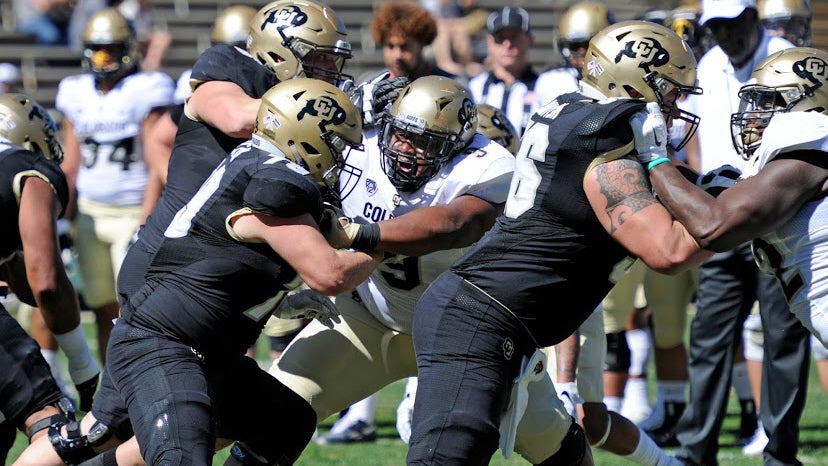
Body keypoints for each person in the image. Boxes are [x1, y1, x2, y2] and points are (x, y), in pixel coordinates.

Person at [14, 1, 359, 464]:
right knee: (145, 429)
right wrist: (315, 112)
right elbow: (237, 119)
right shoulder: (229, 70)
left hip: (210, 278)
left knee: (184, 425)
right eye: (316, 59)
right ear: (278, 54)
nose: (326, 73)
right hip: (171, 277)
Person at [397, 20, 710, 465]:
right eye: (671, 90)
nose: (677, 105)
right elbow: (671, 251)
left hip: (511, 325)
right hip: (482, 321)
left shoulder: (578, 111)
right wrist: (746, 214)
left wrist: (709, 191)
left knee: (568, 457)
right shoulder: (607, 139)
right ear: (637, 86)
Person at [98, 78, 377, 466]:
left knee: (284, 423)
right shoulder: (276, 179)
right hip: (166, 343)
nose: (339, 158)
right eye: (336, 144)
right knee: (181, 457)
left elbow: (222, 265)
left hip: (207, 349)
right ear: (303, 134)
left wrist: (284, 300)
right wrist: (386, 243)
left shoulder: (258, 166)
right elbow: (330, 274)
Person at [260, 76, 518, 451]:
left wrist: (359, 234)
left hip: (460, 334)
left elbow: (454, 225)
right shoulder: (359, 145)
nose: (406, 150)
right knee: (266, 415)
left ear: (456, 147)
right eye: (400, 135)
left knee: (548, 437)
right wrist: (347, 109)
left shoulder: (487, 165)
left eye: (425, 142)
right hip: (363, 320)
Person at [641, 44, 828, 463]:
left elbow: (712, 226)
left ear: (805, 102)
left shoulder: (804, 154)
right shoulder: (790, 160)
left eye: (768, 102)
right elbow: (708, 195)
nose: (755, 114)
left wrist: (654, 158)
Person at [57, 7, 175, 364]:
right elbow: (71, 163)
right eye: (96, 48)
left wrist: (146, 218)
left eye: (109, 48)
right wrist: (63, 217)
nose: (102, 57)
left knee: (132, 305)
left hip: (131, 209)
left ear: (128, 48)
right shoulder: (74, 91)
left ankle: (135, 377)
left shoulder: (146, 88)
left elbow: (156, 162)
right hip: (90, 212)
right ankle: (112, 382)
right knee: (100, 303)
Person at [0, 94, 98, 463]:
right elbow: (45, 280)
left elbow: (23, 276)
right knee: (51, 424)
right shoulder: (28, 167)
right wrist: (84, 369)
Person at [467, 7, 543, 135]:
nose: (507, 45)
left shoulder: (543, 86)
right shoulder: (475, 87)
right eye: (500, 38)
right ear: (490, 43)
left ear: (530, 41)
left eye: (514, 37)